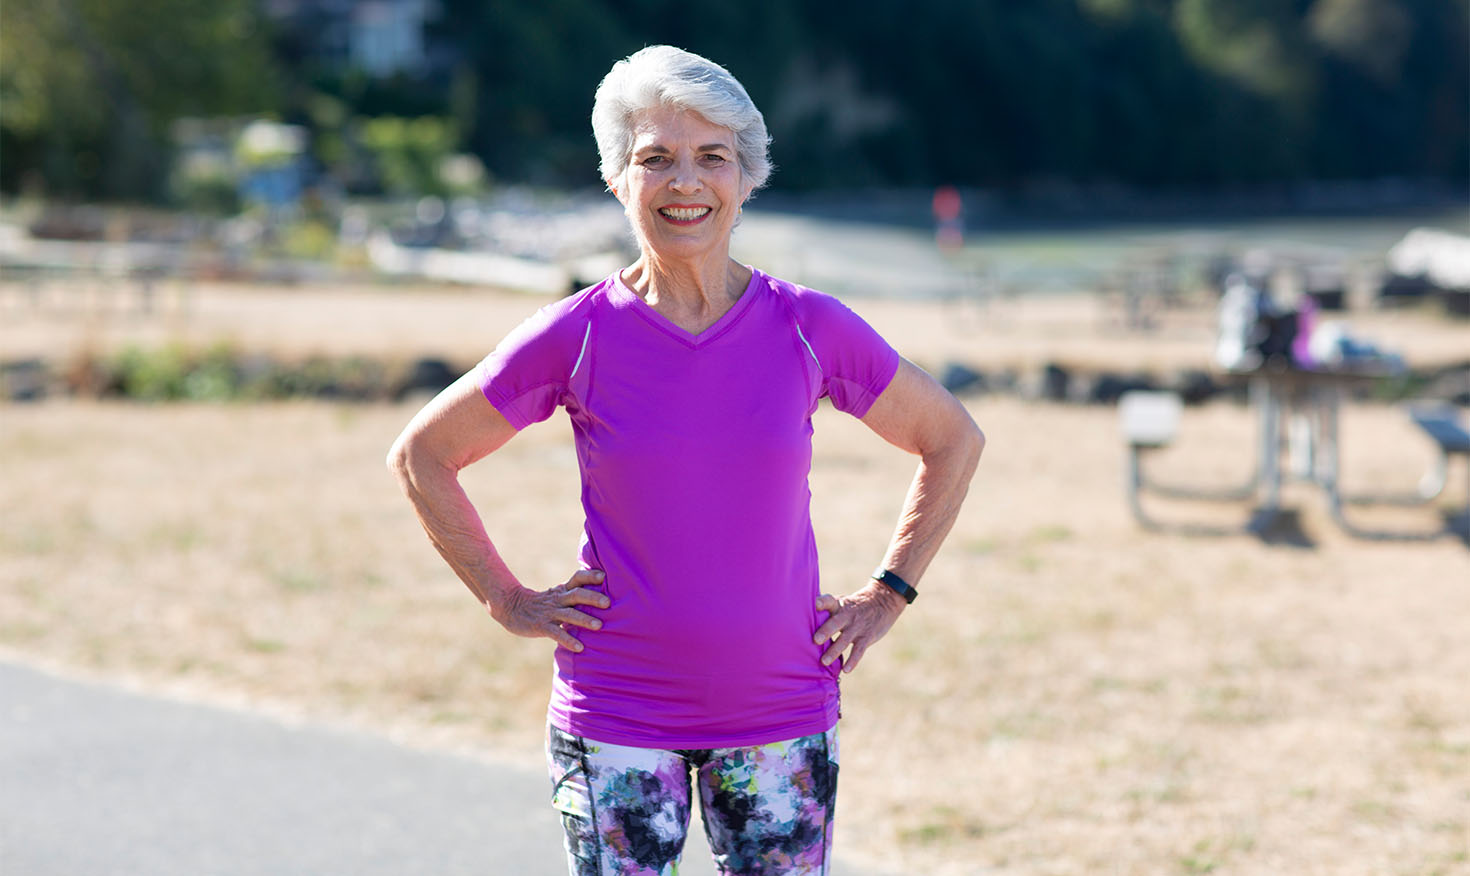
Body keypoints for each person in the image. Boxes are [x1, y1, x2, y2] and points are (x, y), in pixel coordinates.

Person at [387, 45, 984, 876]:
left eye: (712, 158)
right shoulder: (578, 334)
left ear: (747, 177)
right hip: (615, 716)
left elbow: (952, 438)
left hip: (781, 709)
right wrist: (508, 599)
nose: (685, 182)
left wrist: (889, 594)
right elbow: (424, 455)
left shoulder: (810, 328)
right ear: (617, 179)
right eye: (655, 160)